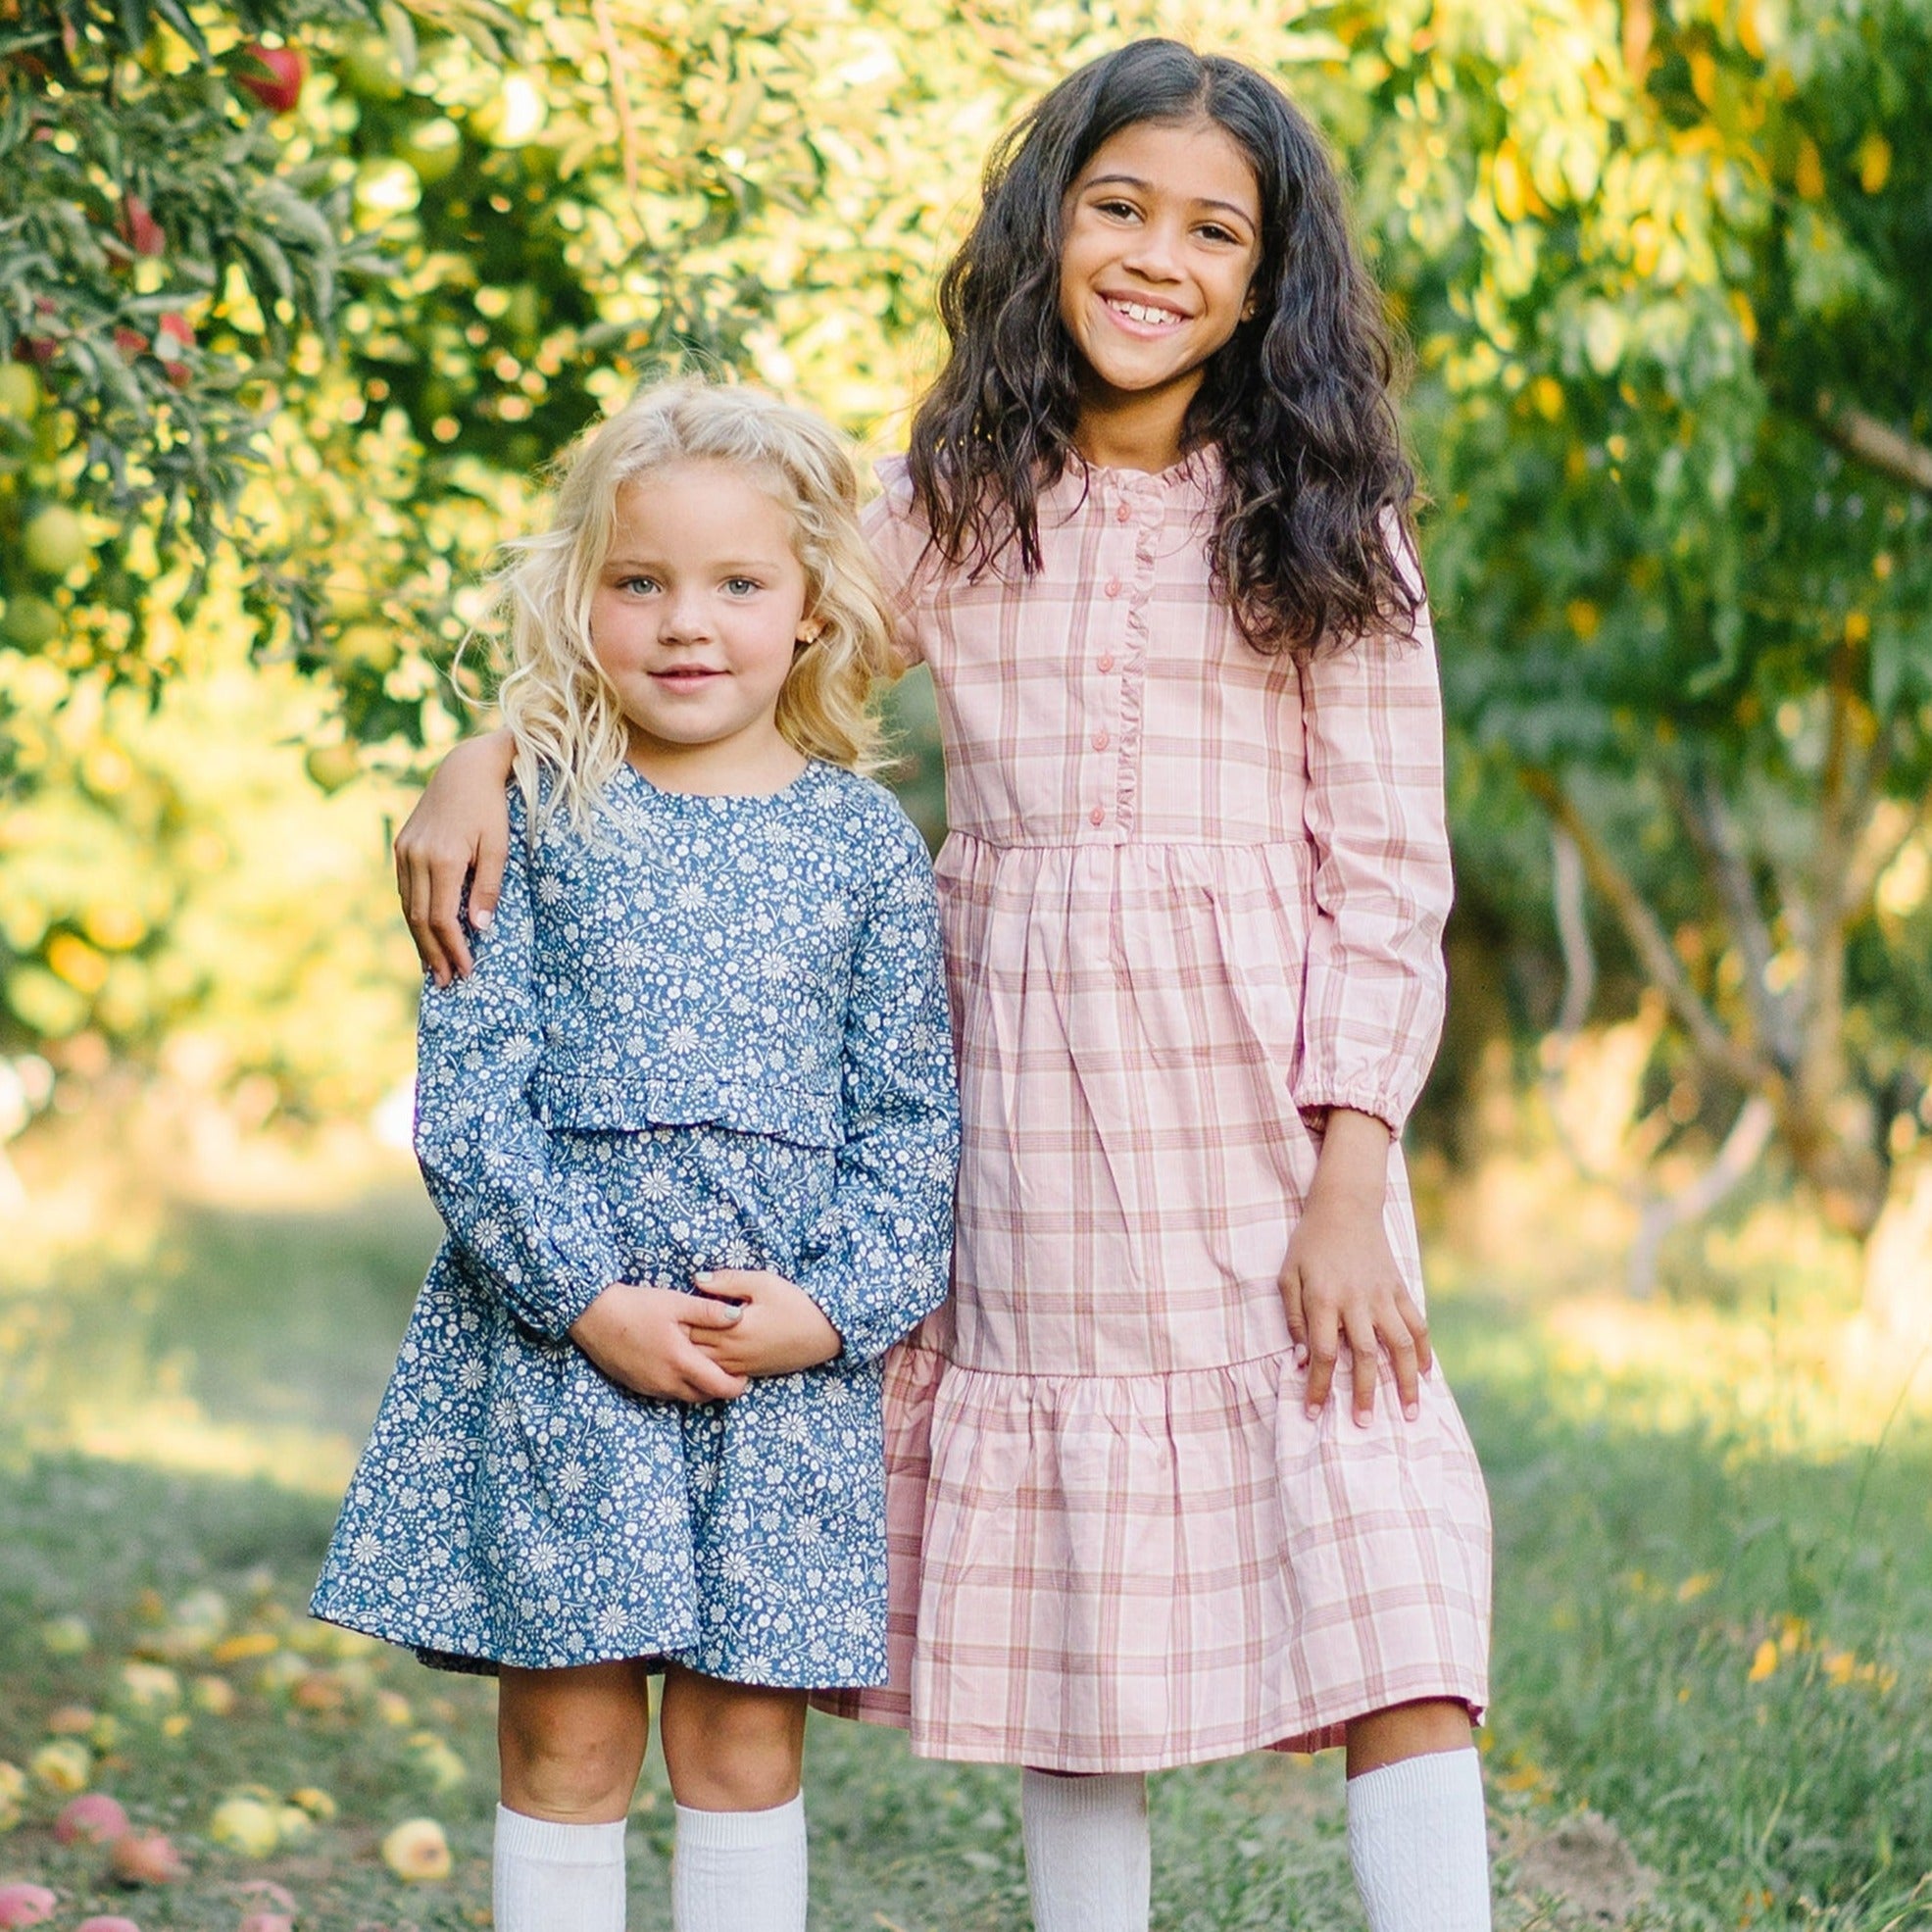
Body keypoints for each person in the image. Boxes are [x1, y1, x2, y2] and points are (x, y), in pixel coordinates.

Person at [391, 39, 1494, 1932]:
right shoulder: (953, 496)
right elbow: (738, 618)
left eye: (1211, 228)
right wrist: (489, 746)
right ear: (1048, 224)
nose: (1156, 256)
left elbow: (1389, 881)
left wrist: (1350, 1173)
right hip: (1028, 1085)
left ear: (1267, 275)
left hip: (1264, 1107)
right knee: (1092, 1585)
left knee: (1389, 1553)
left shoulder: (1330, 532)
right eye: (1119, 206)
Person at [311, 379, 960, 1932]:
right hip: (562, 1351)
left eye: (740, 584)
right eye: (640, 581)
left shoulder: (861, 843)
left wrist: (837, 1307)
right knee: (569, 1731)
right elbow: (469, 1104)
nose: (688, 623)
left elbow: (913, 1124)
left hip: (776, 1360)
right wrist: (587, 1298)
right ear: (580, 599)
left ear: (811, 612)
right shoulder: (524, 818)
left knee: (743, 1742)